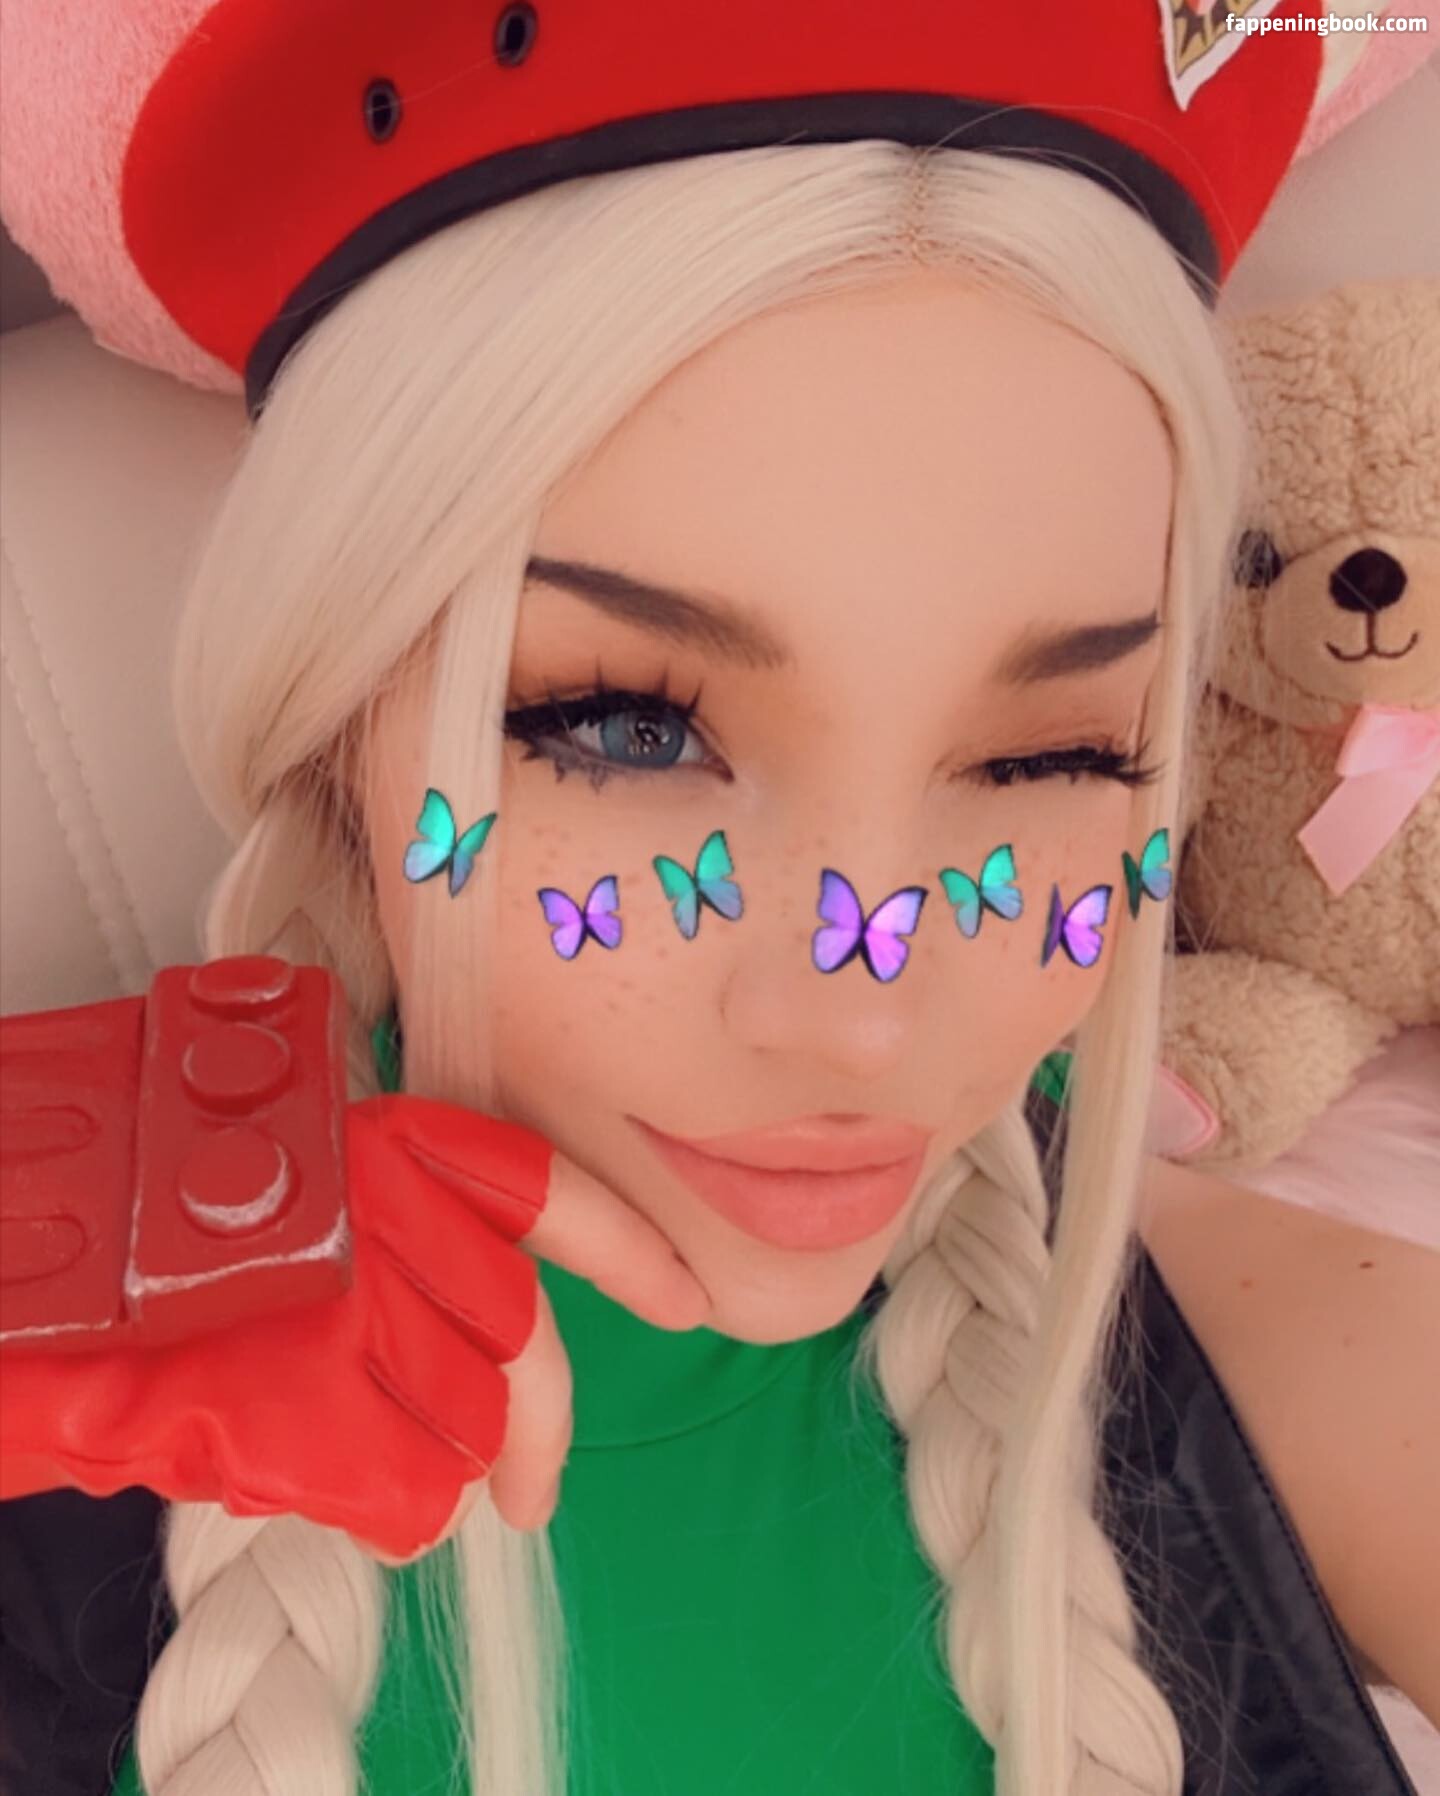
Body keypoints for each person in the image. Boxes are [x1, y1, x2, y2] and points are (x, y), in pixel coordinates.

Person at [0, 5, 1423, 1795]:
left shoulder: (1245, 1334)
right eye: (630, 730)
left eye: (1054, 755)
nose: (864, 1018)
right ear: (337, 720)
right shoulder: (58, 1351)